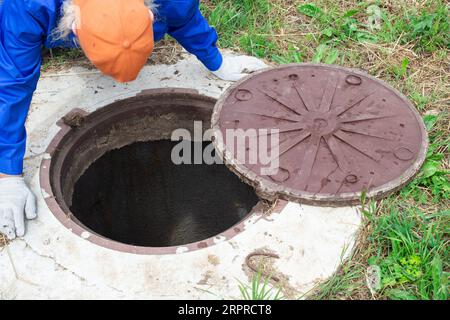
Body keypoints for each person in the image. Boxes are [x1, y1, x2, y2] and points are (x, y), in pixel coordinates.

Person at [0, 0, 268, 240]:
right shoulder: (27, 6)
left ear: (150, 16)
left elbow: (184, 17)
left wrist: (216, 61)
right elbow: (13, 85)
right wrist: (7, 174)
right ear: (76, 25)